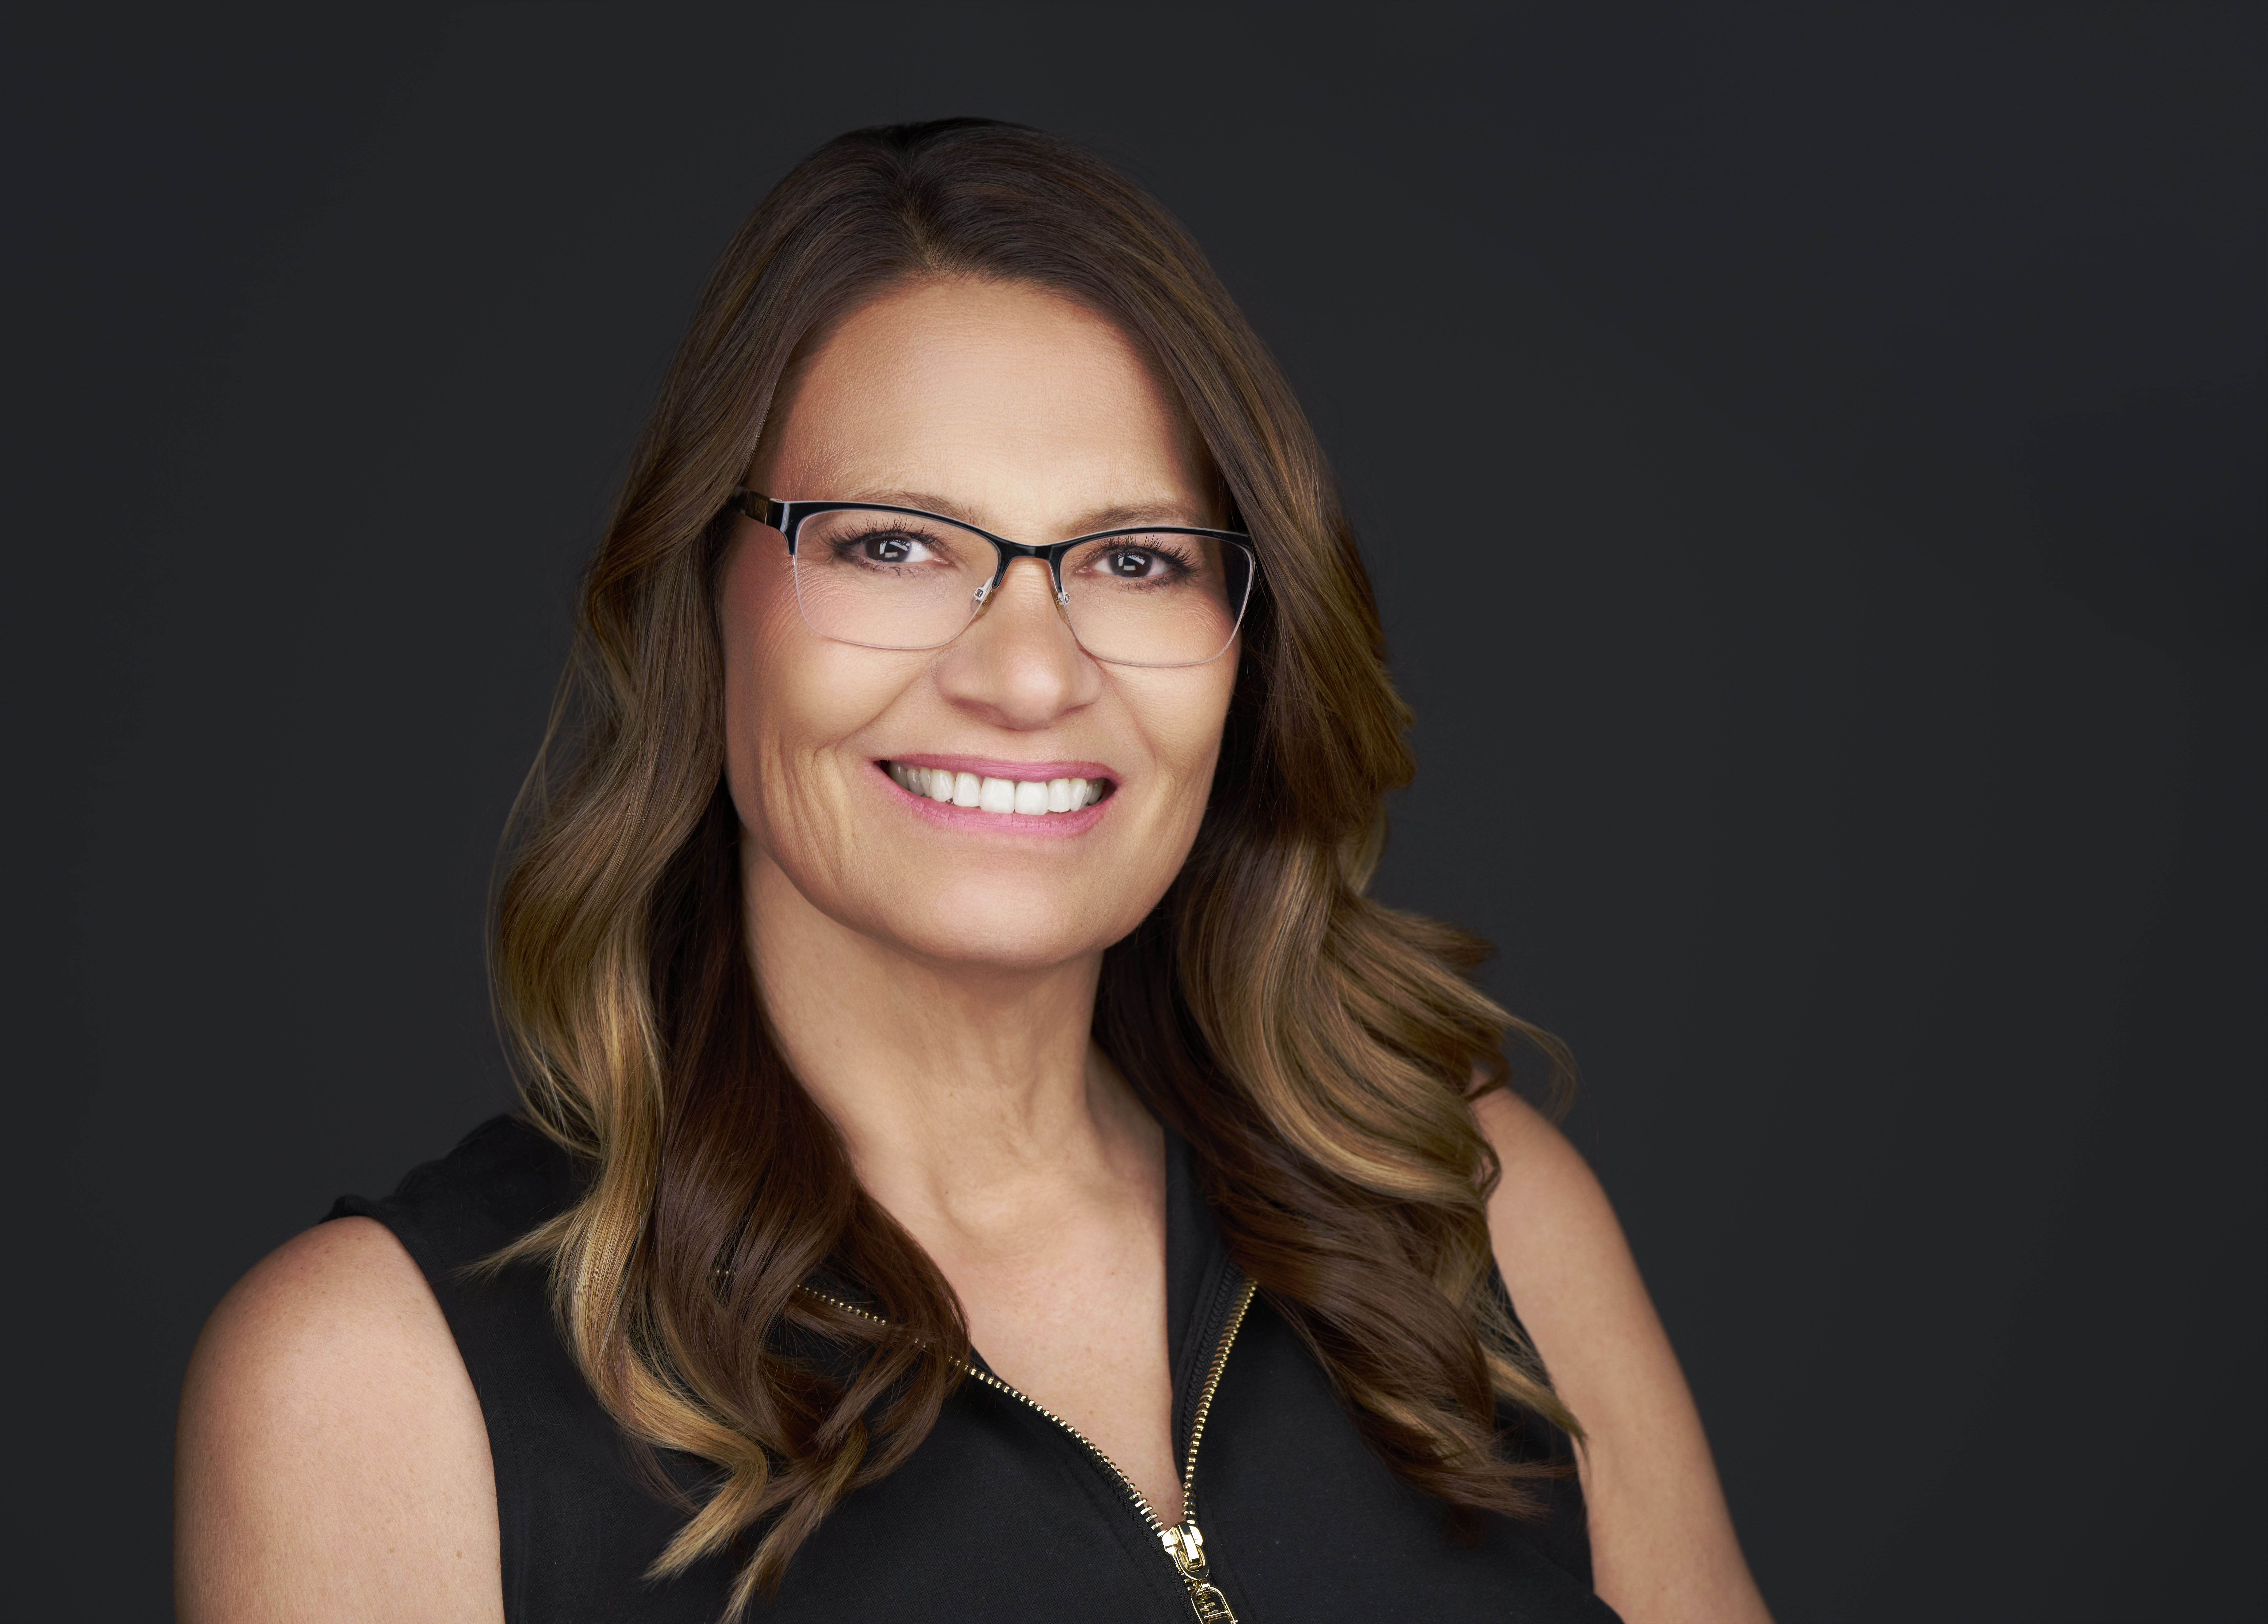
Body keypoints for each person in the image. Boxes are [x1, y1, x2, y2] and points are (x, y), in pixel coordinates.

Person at [173, 119, 1771, 1624]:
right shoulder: (379, 1384)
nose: (1027, 672)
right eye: (892, 543)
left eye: (1134, 559)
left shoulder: (1476, 1220)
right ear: (705, 603)